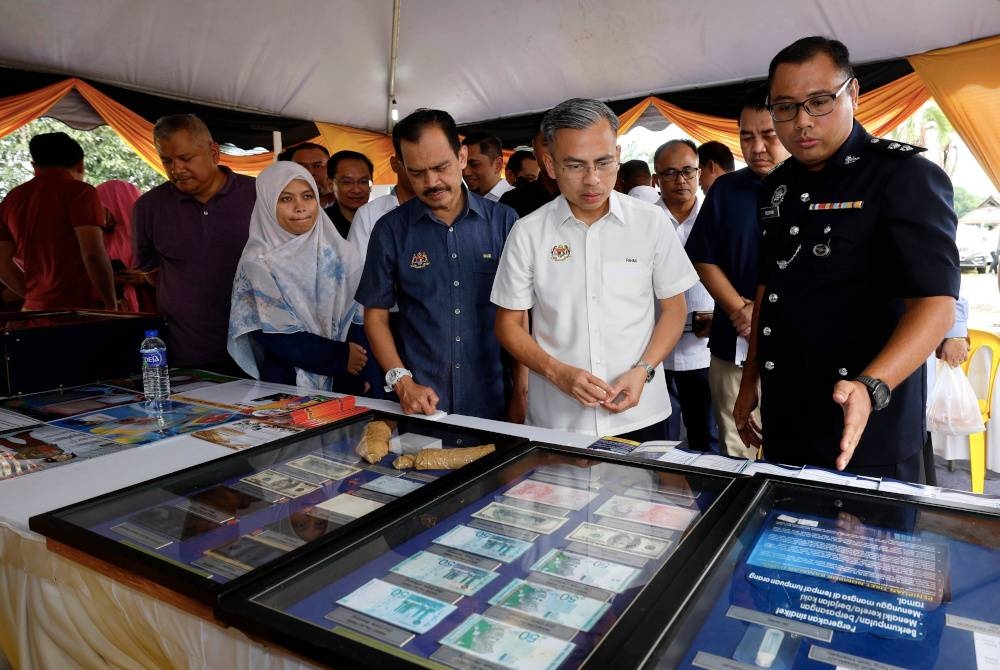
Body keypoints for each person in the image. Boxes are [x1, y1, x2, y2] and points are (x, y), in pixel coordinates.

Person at [735, 37, 960, 480]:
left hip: (867, 424)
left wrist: (870, 385)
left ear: (852, 94)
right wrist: (750, 378)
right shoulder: (776, 187)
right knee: (782, 541)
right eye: (785, 107)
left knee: (872, 547)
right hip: (787, 417)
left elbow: (935, 305)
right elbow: (770, 287)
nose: (801, 122)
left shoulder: (904, 176)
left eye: (819, 102)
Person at [492, 98, 696, 439]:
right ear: (550, 164)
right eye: (575, 166)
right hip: (558, 418)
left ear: (617, 154)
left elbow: (674, 310)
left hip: (641, 413)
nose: (592, 180)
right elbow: (508, 324)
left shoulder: (650, 223)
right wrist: (557, 374)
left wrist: (644, 370)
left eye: (603, 163)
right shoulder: (528, 232)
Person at [355, 109, 521, 420]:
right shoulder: (390, 230)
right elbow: (375, 317)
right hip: (421, 402)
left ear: (462, 156)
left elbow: (522, 314)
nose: (431, 182)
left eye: (441, 167)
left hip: (492, 399)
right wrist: (402, 383)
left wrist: (522, 393)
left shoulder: (503, 222)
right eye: (416, 172)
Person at [686, 87, 790, 457]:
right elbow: (702, 257)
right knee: (738, 446)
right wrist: (739, 310)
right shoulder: (726, 190)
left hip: (797, 348)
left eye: (769, 135)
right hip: (735, 344)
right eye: (747, 136)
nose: (757, 147)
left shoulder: (813, 184)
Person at [228, 162, 369, 393]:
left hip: (346, 379)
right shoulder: (258, 261)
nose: (300, 207)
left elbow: (360, 319)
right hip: (286, 381)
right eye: (285, 199)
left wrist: (361, 368)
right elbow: (273, 333)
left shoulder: (342, 253)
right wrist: (340, 356)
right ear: (266, 204)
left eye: (307, 196)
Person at [132, 114, 255, 369]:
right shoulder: (149, 207)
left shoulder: (258, 194)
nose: (176, 169)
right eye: (167, 161)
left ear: (213, 152)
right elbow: (152, 272)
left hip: (259, 350)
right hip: (189, 353)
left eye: (186, 159)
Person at [0, 132, 116, 311]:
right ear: (80, 164)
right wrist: (111, 303)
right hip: (79, 309)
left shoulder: (12, 198)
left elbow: (2, 261)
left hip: (33, 310)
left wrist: (33, 296)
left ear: (34, 166)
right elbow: (92, 254)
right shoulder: (81, 192)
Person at [653, 139, 717, 451]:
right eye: (670, 173)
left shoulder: (716, 219)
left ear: (700, 172)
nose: (681, 180)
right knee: (657, 442)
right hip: (652, 352)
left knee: (708, 438)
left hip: (705, 349)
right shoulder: (642, 222)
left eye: (688, 171)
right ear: (656, 179)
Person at [347, 154, 415, 265]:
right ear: (395, 163)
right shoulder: (368, 214)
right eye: (414, 166)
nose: (424, 174)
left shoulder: (442, 211)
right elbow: (357, 270)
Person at [96, 179, 143, 312]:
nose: (97, 211)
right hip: (105, 307)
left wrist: (146, 277)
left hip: (144, 304)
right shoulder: (98, 235)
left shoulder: (148, 234)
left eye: (102, 205)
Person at [499, 128, 560, 217]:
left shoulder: (582, 196)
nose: (554, 152)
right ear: (534, 146)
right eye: (547, 144)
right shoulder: (512, 200)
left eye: (567, 143)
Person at [325, 150, 373, 239]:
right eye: (347, 182)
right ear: (330, 185)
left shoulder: (383, 219)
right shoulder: (321, 224)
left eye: (363, 181)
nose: (356, 190)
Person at [462, 133, 514, 201]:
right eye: (462, 164)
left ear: (498, 165)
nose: (465, 172)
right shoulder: (461, 201)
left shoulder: (519, 200)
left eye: (474, 164)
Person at [289, 142, 335, 208]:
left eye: (317, 166)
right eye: (302, 167)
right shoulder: (280, 209)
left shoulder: (348, 206)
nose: (310, 172)